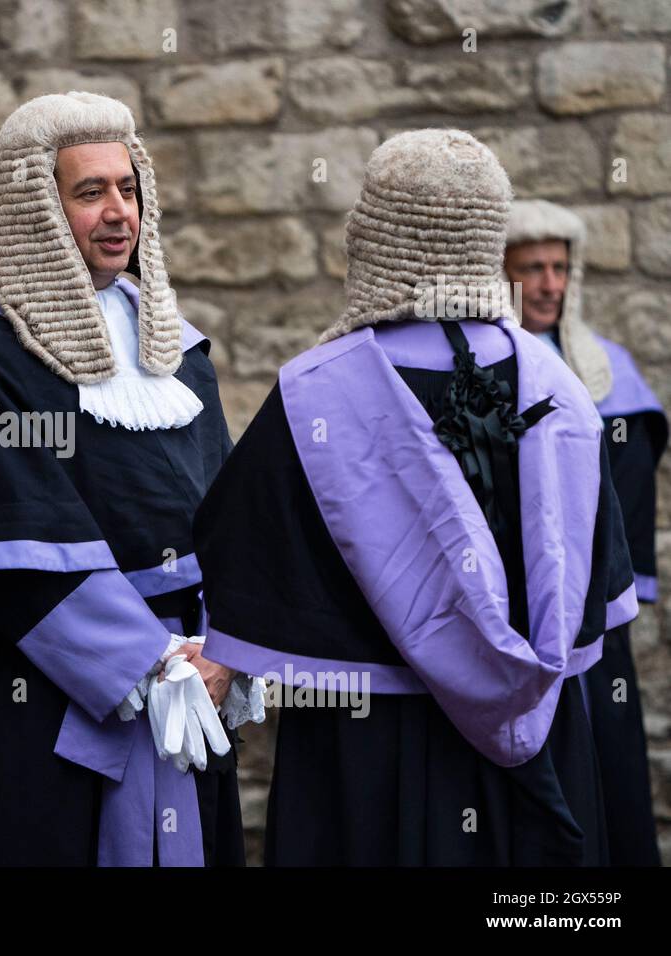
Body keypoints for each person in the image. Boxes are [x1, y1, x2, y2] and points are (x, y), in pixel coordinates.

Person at [195, 130, 636, 865]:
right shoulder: (562, 392)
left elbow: (245, 563)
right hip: (535, 752)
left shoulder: (317, 392)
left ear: (373, 238)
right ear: (487, 239)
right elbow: (600, 599)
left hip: (365, 754)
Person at [0, 92, 262, 866]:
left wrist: (221, 652)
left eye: (127, 189)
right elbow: (8, 539)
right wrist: (149, 660)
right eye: (89, 192)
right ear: (38, 205)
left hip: (189, 687)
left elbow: (233, 519)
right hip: (45, 694)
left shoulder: (180, 349)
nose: (118, 213)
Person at [504, 199, 665, 865]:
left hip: (594, 611)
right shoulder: (485, 364)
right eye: (533, 268)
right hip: (512, 619)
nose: (550, 284)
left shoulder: (606, 369)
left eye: (560, 268)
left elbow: (627, 491)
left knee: (606, 762)